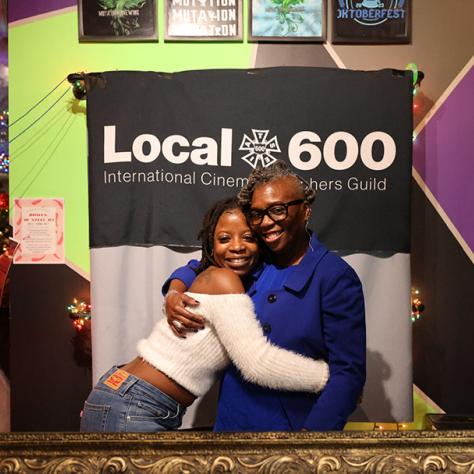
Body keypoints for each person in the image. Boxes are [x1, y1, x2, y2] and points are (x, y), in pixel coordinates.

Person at [80, 197, 329, 432]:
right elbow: (257, 363)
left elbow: (191, 269)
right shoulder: (224, 279)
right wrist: (327, 377)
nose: (237, 247)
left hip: (124, 395)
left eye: (249, 238)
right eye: (224, 239)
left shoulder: (222, 276)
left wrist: (175, 288)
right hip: (134, 405)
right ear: (211, 244)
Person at [164, 160, 366, 431]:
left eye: (277, 210)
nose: (266, 222)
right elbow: (204, 265)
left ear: (305, 210)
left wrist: (311, 441)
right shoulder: (257, 259)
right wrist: (175, 291)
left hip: (293, 430)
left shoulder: (334, 276)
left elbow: (348, 373)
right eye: (258, 214)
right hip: (232, 426)